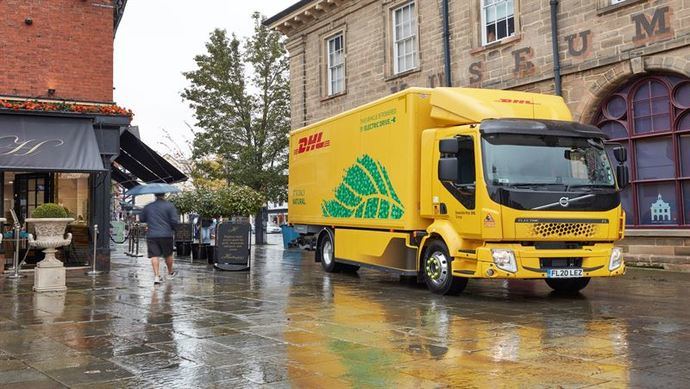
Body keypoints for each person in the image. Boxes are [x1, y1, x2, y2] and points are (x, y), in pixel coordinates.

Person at [139, 193, 179, 285]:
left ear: (155, 195)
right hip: (166, 234)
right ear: (164, 195)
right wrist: (172, 228)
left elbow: (142, 218)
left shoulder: (148, 206)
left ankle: (156, 276)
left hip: (152, 234)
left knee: (154, 255)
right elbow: (174, 221)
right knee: (168, 254)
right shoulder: (170, 206)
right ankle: (170, 273)